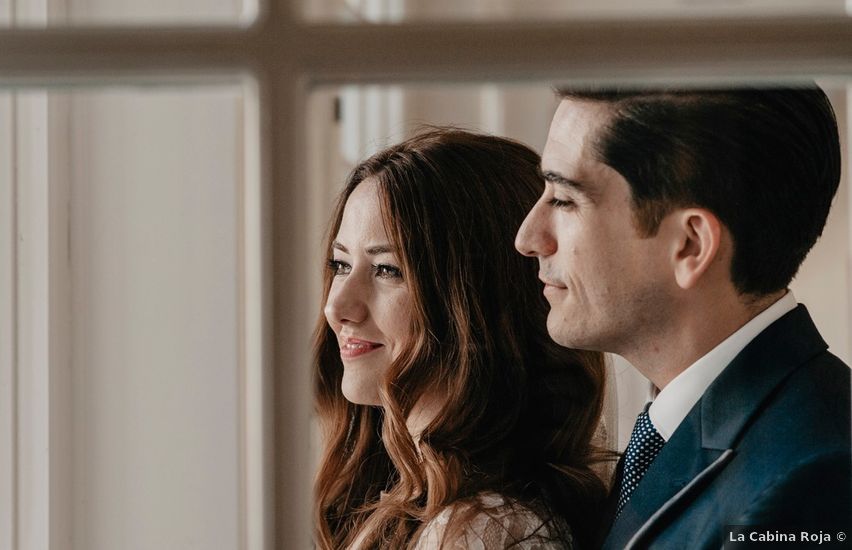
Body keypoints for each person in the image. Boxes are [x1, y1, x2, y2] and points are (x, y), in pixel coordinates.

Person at [515, 86, 851, 549]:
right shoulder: (684, 428)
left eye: (565, 200)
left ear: (690, 245)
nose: (528, 237)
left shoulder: (812, 480)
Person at [313, 128, 609, 549]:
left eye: (387, 270)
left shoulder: (487, 531)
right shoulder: (421, 502)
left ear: (479, 301)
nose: (336, 306)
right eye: (341, 265)